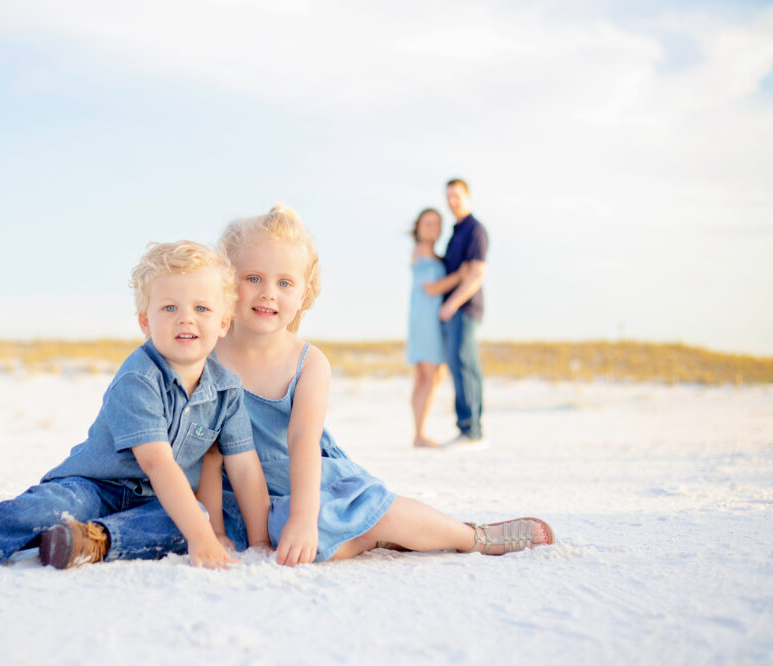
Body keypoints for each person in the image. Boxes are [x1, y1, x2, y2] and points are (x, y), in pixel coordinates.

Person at [202, 205, 553, 565]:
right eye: (253, 279)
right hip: (237, 490)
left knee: (353, 516)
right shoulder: (205, 354)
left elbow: (303, 439)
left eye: (284, 283)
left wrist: (304, 518)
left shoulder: (308, 362)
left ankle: (472, 537)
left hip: (306, 480)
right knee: (290, 545)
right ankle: (373, 539)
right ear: (227, 282)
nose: (268, 293)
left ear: (304, 294)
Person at [0, 241, 271, 571]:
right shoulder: (139, 378)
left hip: (156, 501)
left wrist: (256, 541)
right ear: (145, 321)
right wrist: (201, 538)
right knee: (54, 507)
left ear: (223, 323)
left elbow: (242, 467)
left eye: (202, 308)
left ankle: (89, 541)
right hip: (95, 485)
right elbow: (157, 463)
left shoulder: (227, 389)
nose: (186, 318)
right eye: (169, 307)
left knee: (192, 518)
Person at [407, 208, 467, 447]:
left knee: (425, 376)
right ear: (419, 228)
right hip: (425, 319)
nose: (433, 228)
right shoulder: (421, 250)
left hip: (426, 317)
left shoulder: (433, 254)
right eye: (428, 223)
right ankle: (419, 434)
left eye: (437, 223)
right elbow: (431, 288)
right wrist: (460, 276)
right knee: (432, 374)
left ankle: (418, 432)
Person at [440, 178, 488, 445]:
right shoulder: (456, 231)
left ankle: (472, 431)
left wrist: (452, 303)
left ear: (467, 196)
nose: (452, 201)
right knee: (458, 366)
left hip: (465, 309)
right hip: (453, 311)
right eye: (448, 196)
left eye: (456, 196)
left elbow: (476, 274)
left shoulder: (475, 230)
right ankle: (467, 429)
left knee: (465, 364)